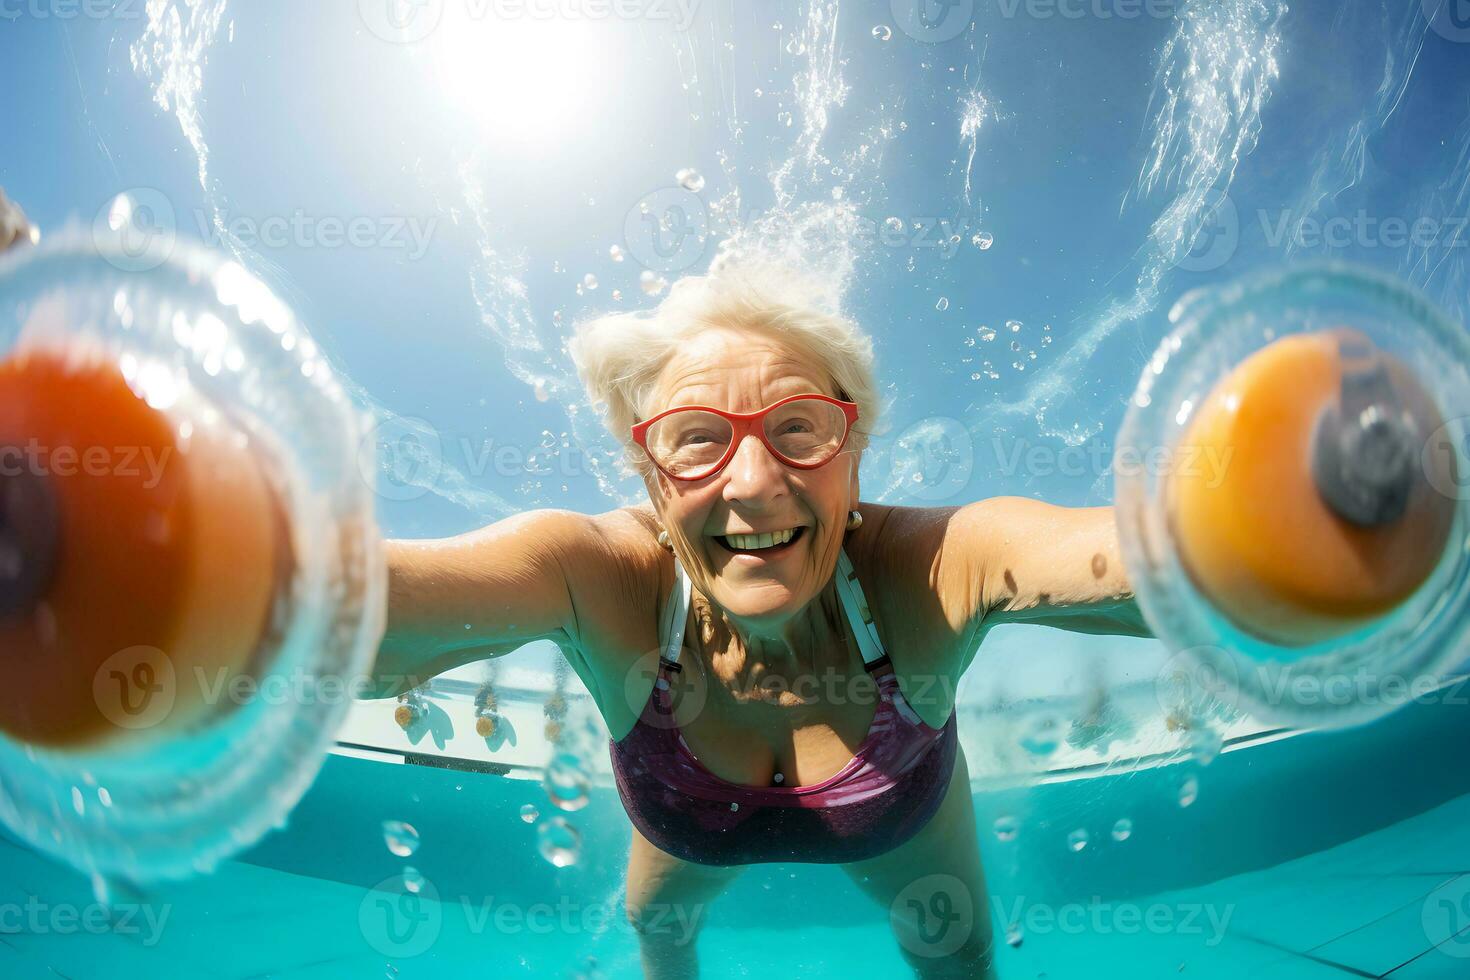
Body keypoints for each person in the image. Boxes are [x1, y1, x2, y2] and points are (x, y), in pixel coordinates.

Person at [373, 258, 1151, 978]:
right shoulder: (598, 575)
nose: (752, 481)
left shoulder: (931, 566)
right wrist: (267, 576)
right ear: (653, 484)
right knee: (662, 929)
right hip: (691, 827)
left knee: (957, 948)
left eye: (798, 428)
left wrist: (1240, 543)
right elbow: (377, 600)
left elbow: (1136, 559)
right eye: (698, 440)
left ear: (855, 455)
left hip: (897, 813)